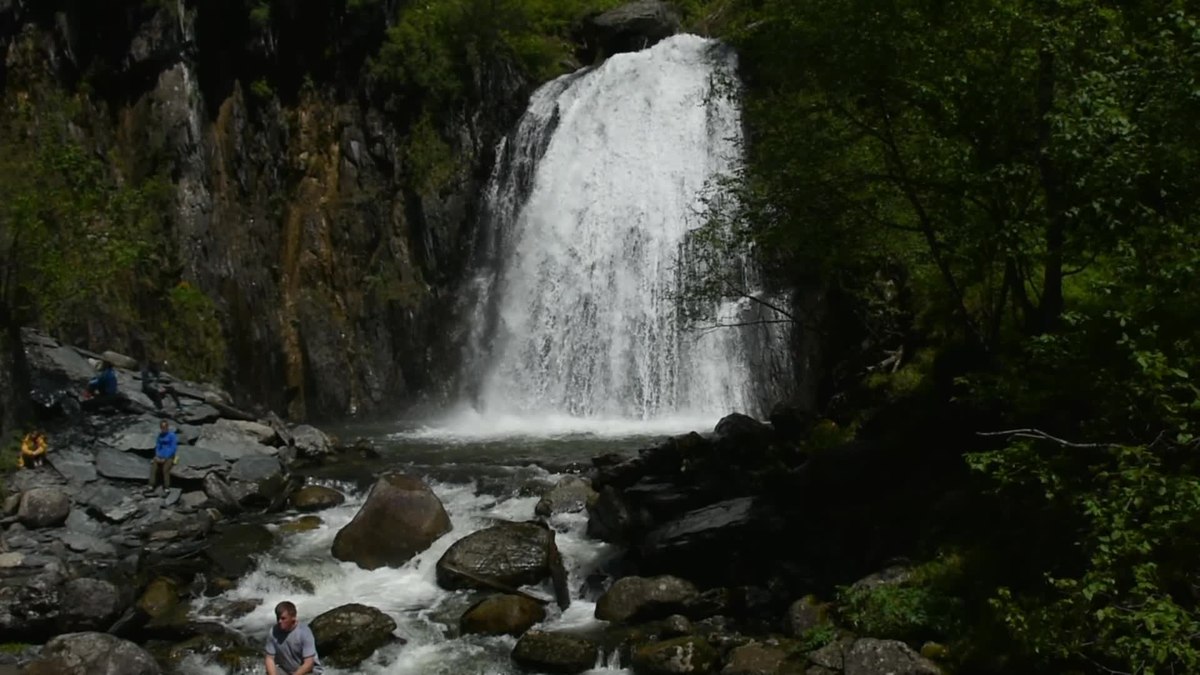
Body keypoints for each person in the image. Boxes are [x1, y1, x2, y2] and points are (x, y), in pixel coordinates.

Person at [265, 600, 323, 675]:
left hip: (308, 671)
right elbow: (269, 659)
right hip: (286, 670)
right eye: (278, 618)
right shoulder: (273, 631)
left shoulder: (304, 632)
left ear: (293, 618)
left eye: (283, 618)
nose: (279, 621)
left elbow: (309, 663)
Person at [149, 420, 178, 491]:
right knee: (154, 468)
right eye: (162, 427)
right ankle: (151, 485)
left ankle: (166, 487)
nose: (163, 428)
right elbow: (158, 446)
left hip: (169, 456)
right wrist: (157, 455)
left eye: (165, 426)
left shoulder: (172, 435)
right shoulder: (160, 436)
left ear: (167, 427)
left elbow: (173, 448)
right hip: (160, 456)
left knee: (165, 469)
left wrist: (166, 457)